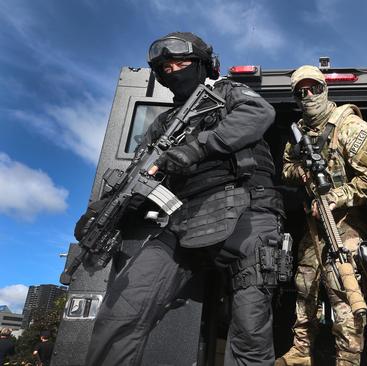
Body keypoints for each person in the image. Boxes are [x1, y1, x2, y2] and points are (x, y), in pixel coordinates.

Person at [77, 32, 285, 366]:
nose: (173, 70)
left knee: (250, 330)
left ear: (204, 65)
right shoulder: (162, 124)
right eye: (165, 67)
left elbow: (258, 114)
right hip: (182, 222)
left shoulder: (227, 92)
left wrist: (197, 147)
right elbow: (138, 175)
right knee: (121, 311)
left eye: (182, 62)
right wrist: (101, 210)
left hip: (247, 212)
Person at [276, 65, 367, 366]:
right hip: (313, 223)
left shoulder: (350, 127)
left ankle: (348, 360)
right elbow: (285, 170)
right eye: (301, 92)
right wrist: (303, 171)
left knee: (344, 290)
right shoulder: (299, 134)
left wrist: (339, 195)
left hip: (346, 223)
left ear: (326, 89)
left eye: (314, 88)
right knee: (305, 283)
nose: (309, 96)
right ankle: (301, 352)